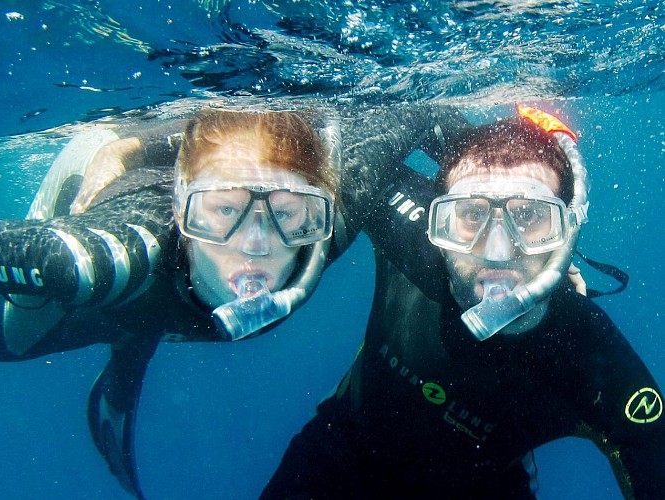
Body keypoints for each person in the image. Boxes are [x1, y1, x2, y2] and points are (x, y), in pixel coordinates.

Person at [260, 107, 664, 499]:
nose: (498, 251)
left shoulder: (588, 350)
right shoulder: (411, 232)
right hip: (341, 452)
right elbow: (328, 146)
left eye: (529, 218)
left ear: (566, 231)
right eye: (470, 215)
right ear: (435, 222)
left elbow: (651, 453)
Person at [0, 107, 343, 499]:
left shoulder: (322, 232)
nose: (254, 245)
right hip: (107, 182)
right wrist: (122, 152)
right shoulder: (122, 253)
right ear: (179, 207)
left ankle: (134, 337)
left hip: (165, 254)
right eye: (225, 210)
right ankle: (132, 332)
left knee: (145, 305)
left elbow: (401, 119)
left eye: (286, 212)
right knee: (4, 342)